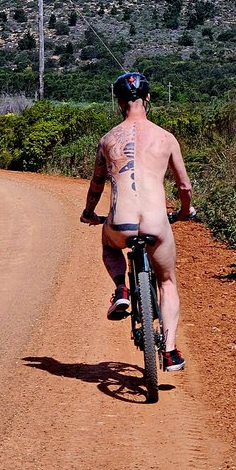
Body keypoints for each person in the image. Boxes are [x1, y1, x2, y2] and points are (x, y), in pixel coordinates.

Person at [80, 70, 194, 373]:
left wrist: (89, 213)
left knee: (108, 245)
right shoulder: (166, 138)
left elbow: (96, 184)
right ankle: (169, 352)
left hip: (121, 224)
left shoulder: (108, 140)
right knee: (167, 282)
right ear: (148, 99)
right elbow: (185, 188)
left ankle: (121, 289)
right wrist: (185, 211)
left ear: (119, 102)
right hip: (156, 225)